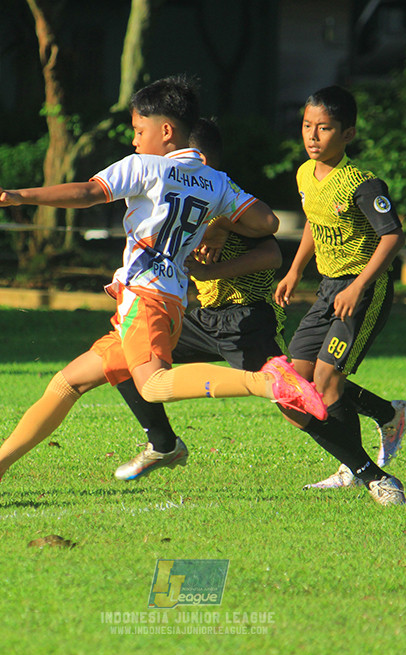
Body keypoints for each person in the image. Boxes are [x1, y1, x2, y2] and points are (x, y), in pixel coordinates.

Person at [0, 76, 326, 500]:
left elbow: (87, 192)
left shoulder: (143, 167)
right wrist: (220, 224)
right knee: (68, 383)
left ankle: (268, 381)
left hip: (145, 296)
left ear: (166, 131)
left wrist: (19, 196)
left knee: (153, 386)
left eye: (140, 131)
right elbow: (267, 223)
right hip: (171, 301)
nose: (136, 142)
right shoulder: (215, 181)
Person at [112, 117, 289, 481]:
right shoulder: (188, 200)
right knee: (122, 360)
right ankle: (162, 443)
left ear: (197, 160)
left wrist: (217, 243)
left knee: (293, 400)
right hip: (205, 317)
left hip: (245, 319)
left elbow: (272, 253)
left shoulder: (231, 203)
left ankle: (368, 461)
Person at [273, 85, 406, 506]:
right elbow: (315, 225)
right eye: (307, 126)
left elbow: (393, 237)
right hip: (328, 289)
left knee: (328, 382)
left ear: (348, 134)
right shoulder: (304, 174)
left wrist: (358, 286)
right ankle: (391, 416)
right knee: (296, 382)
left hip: (364, 289)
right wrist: (295, 269)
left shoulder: (363, 185)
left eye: (325, 128)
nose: (313, 136)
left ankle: (359, 472)